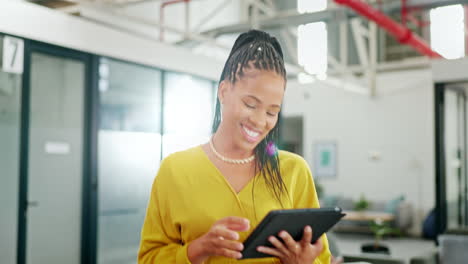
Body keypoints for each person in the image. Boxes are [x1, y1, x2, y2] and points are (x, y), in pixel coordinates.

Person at [138, 29, 332, 264]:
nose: (260, 122)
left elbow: (321, 257)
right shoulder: (175, 170)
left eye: (272, 112)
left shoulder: (294, 171)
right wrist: (197, 249)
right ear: (224, 91)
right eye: (250, 104)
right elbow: (148, 259)